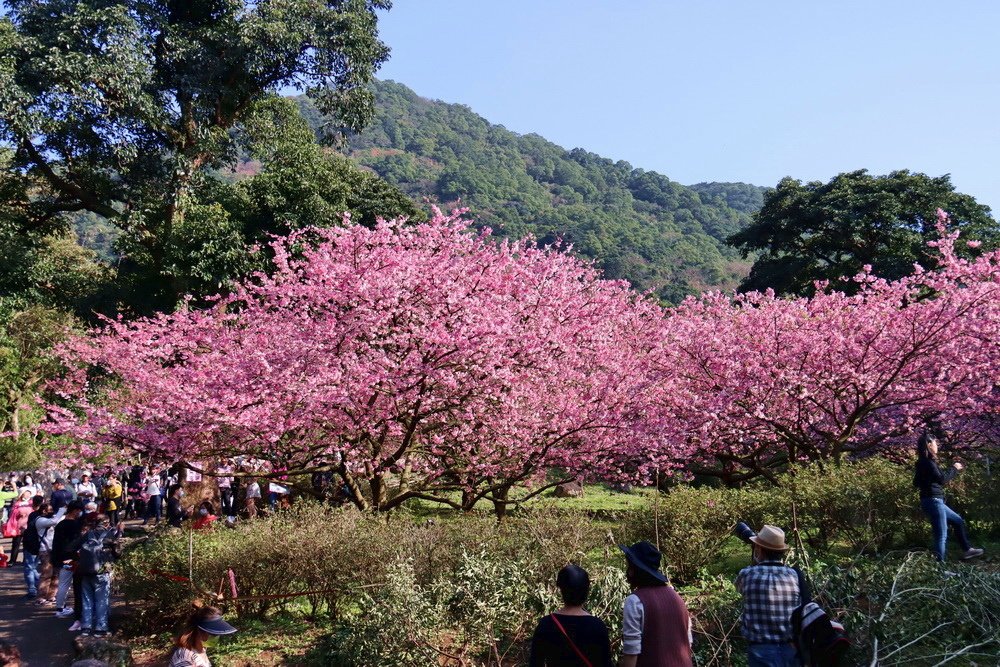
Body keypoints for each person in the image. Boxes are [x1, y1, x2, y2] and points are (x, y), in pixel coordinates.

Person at [735, 525, 806, 667]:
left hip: (760, 650)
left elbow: (740, 589)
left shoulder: (746, 574)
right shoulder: (795, 575)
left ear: (759, 549)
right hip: (791, 649)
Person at [619, 541, 693, 667]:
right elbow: (688, 642)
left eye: (629, 567)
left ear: (634, 570)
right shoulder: (676, 597)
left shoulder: (635, 601)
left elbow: (631, 652)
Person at [913, 433, 984, 562]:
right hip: (934, 501)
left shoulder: (922, 463)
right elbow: (942, 479)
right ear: (929, 445)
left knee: (957, 521)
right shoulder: (928, 463)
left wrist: (928, 480)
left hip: (931, 501)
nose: (937, 446)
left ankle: (967, 550)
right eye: (935, 443)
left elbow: (916, 482)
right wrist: (954, 468)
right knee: (941, 536)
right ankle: (940, 569)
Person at [528, 564, 613, 667]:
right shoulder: (597, 626)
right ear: (586, 592)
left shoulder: (546, 624)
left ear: (561, 590)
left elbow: (535, 662)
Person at [74, 513, 122, 636]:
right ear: (105, 523)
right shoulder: (109, 535)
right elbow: (118, 553)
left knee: (87, 600)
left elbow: (73, 547)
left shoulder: (87, 535)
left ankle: (86, 627)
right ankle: (101, 628)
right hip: (101, 572)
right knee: (101, 600)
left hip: (85, 572)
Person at [169, 605, 238, 666]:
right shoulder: (184, 657)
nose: (217, 637)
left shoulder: (201, 650)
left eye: (218, 634)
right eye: (214, 634)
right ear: (199, 632)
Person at [52, 500, 86, 618]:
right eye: (79, 511)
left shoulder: (60, 524)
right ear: (75, 511)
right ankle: (60, 609)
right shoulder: (74, 525)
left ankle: (61, 607)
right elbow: (75, 543)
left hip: (60, 557)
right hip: (70, 558)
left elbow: (56, 543)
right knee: (65, 584)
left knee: (63, 583)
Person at [35, 500, 67, 605]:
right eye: (50, 510)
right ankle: (41, 597)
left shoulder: (50, 519)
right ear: (44, 511)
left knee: (56, 574)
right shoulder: (40, 520)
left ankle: (51, 595)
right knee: (46, 574)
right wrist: (62, 510)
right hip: (45, 551)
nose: (52, 512)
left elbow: (60, 519)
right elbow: (54, 521)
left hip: (54, 550)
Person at [20, 496, 44, 598]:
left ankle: (32, 589)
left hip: (31, 544)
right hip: (40, 544)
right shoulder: (45, 516)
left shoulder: (34, 515)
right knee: (33, 567)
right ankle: (38, 586)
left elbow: (31, 530)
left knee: (29, 567)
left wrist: (24, 532)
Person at [4, 490, 33, 566]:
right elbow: (13, 513)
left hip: (28, 527)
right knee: (16, 544)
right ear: (22, 495)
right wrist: (18, 513)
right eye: (25, 494)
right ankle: (12, 560)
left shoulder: (31, 503)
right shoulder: (17, 503)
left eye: (28, 494)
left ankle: (25, 560)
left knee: (26, 545)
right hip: (18, 527)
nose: (27, 496)